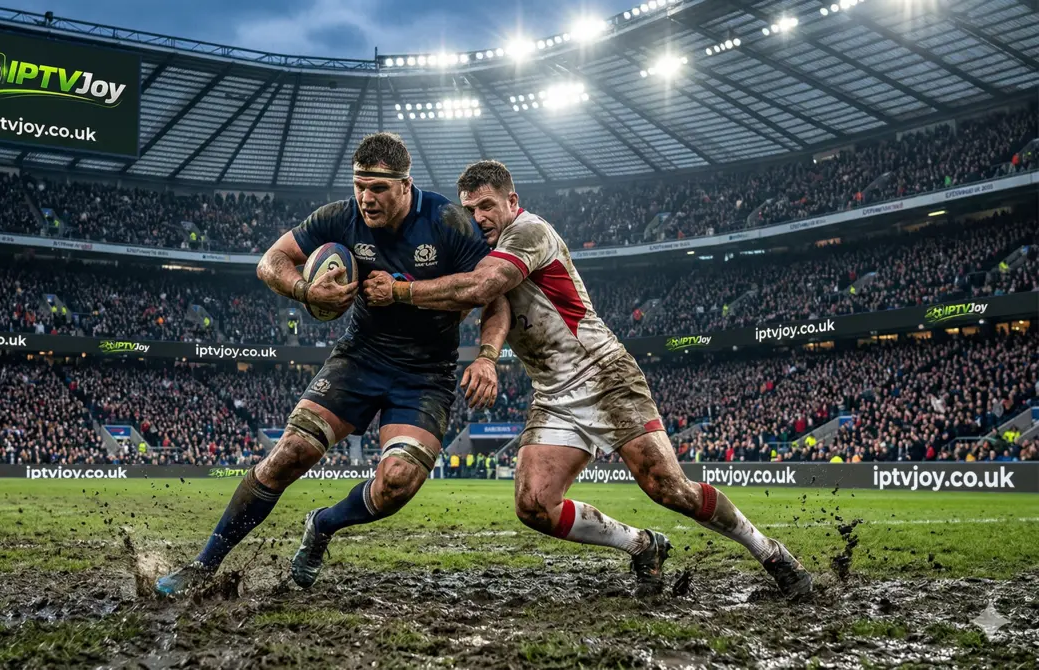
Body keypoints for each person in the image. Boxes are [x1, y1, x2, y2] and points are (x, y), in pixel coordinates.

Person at [362, 160, 812, 597]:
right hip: (553, 393)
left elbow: (483, 288)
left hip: (603, 374)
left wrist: (401, 291)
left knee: (667, 488)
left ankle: (772, 553)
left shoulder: (529, 231)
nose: (477, 218)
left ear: (511, 201)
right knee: (534, 505)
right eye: (469, 210)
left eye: (485, 206)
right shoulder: (482, 249)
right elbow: (484, 304)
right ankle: (642, 545)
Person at [156, 133, 508, 595]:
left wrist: (486, 357)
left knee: (397, 482)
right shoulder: (340, 217)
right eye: (360, 185)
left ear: (406, 185)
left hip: (425, 374)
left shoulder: (446, 220)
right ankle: (203, 566)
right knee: (289, 454)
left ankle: (322, 525)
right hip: (359, 357)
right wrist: (305, 291)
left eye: (378, 188)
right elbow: (271, 260)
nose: (366, 198)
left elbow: (493, 296)